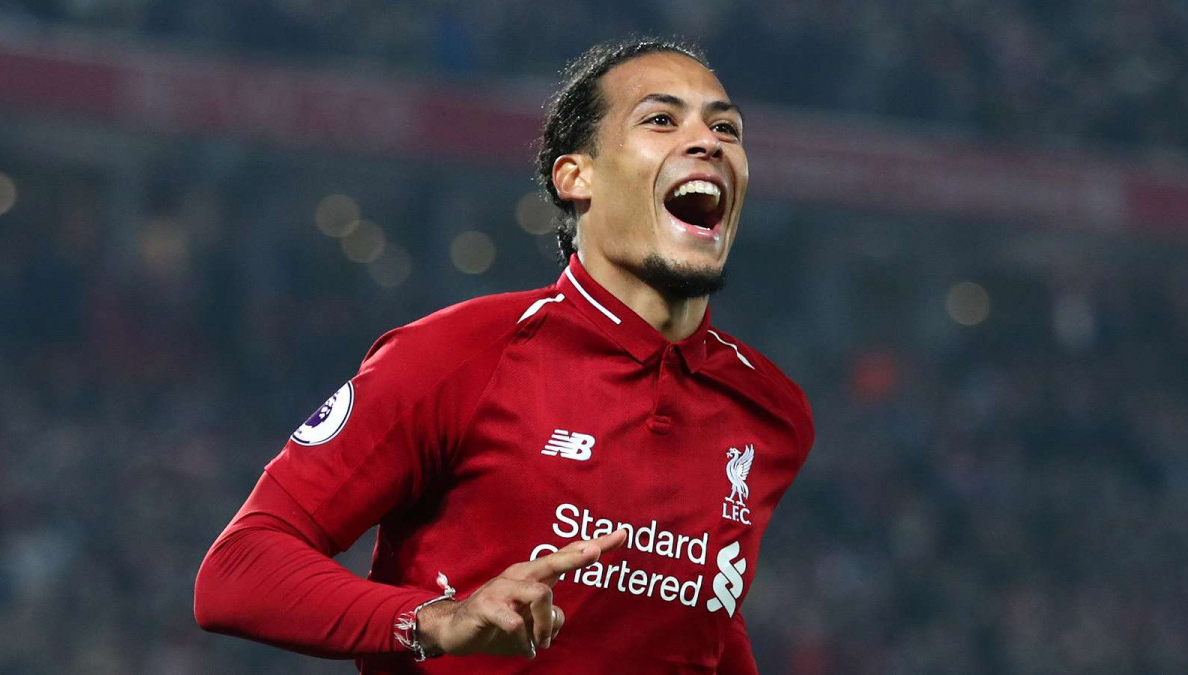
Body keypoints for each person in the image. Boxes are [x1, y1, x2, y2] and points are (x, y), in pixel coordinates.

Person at [194, 36, 814, 674]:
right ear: (576, 177)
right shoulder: (459, 354)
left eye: (726, 128)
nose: (708, 141)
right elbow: (238, 568)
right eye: (660, 119)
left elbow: (702, 627)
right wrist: (437, 620)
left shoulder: (772, 412)